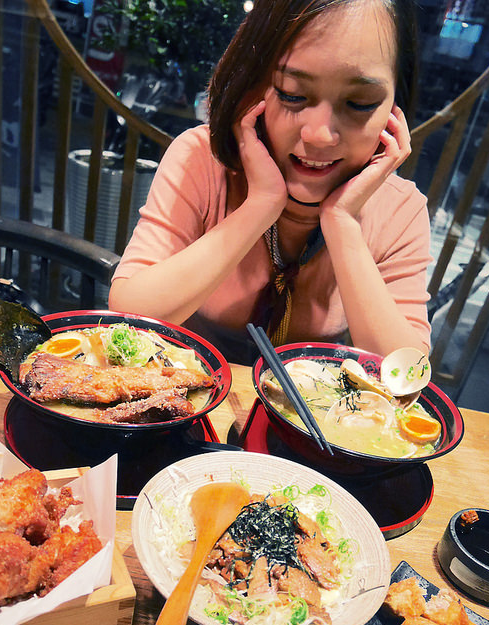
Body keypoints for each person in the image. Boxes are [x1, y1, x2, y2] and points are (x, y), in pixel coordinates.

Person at [109, 0, 431, 365]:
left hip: (312, 418)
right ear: (254, 90)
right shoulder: (202, 162)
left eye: (360, 103)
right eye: (293, 94)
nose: (321, 135)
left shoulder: (400, 209)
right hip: (182, 398)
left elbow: (407, 373)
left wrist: (342, 223)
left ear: (393, 110)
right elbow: (131, 313)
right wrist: (262, 204)